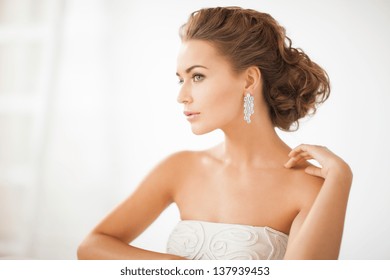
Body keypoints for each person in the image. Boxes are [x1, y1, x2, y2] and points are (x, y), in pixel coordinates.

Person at [77, 6, 352, 260]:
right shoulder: (179, 168)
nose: (182, 96)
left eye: (197, 76)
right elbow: (91, 246)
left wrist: (341, 178)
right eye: (180, 79)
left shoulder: (308, 186)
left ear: (249, 80)